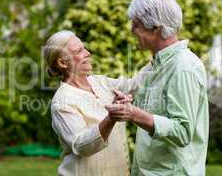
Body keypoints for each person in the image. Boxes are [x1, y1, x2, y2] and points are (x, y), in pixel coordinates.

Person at [106, 0, 209, 176]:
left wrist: (134, 114)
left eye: (136, 25)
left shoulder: (182, 67)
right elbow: (131, 88)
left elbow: (183, 131)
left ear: (156, 29)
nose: (131, 30)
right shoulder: (157, 63)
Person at [44, 30, 148, 176]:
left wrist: (158, 57)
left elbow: (133, 85)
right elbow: (81, 145)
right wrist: (111, 118)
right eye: (79, 51)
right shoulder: (62, 101)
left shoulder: (99, 82)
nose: (87, 53)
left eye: (84, 48)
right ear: (62, 63)